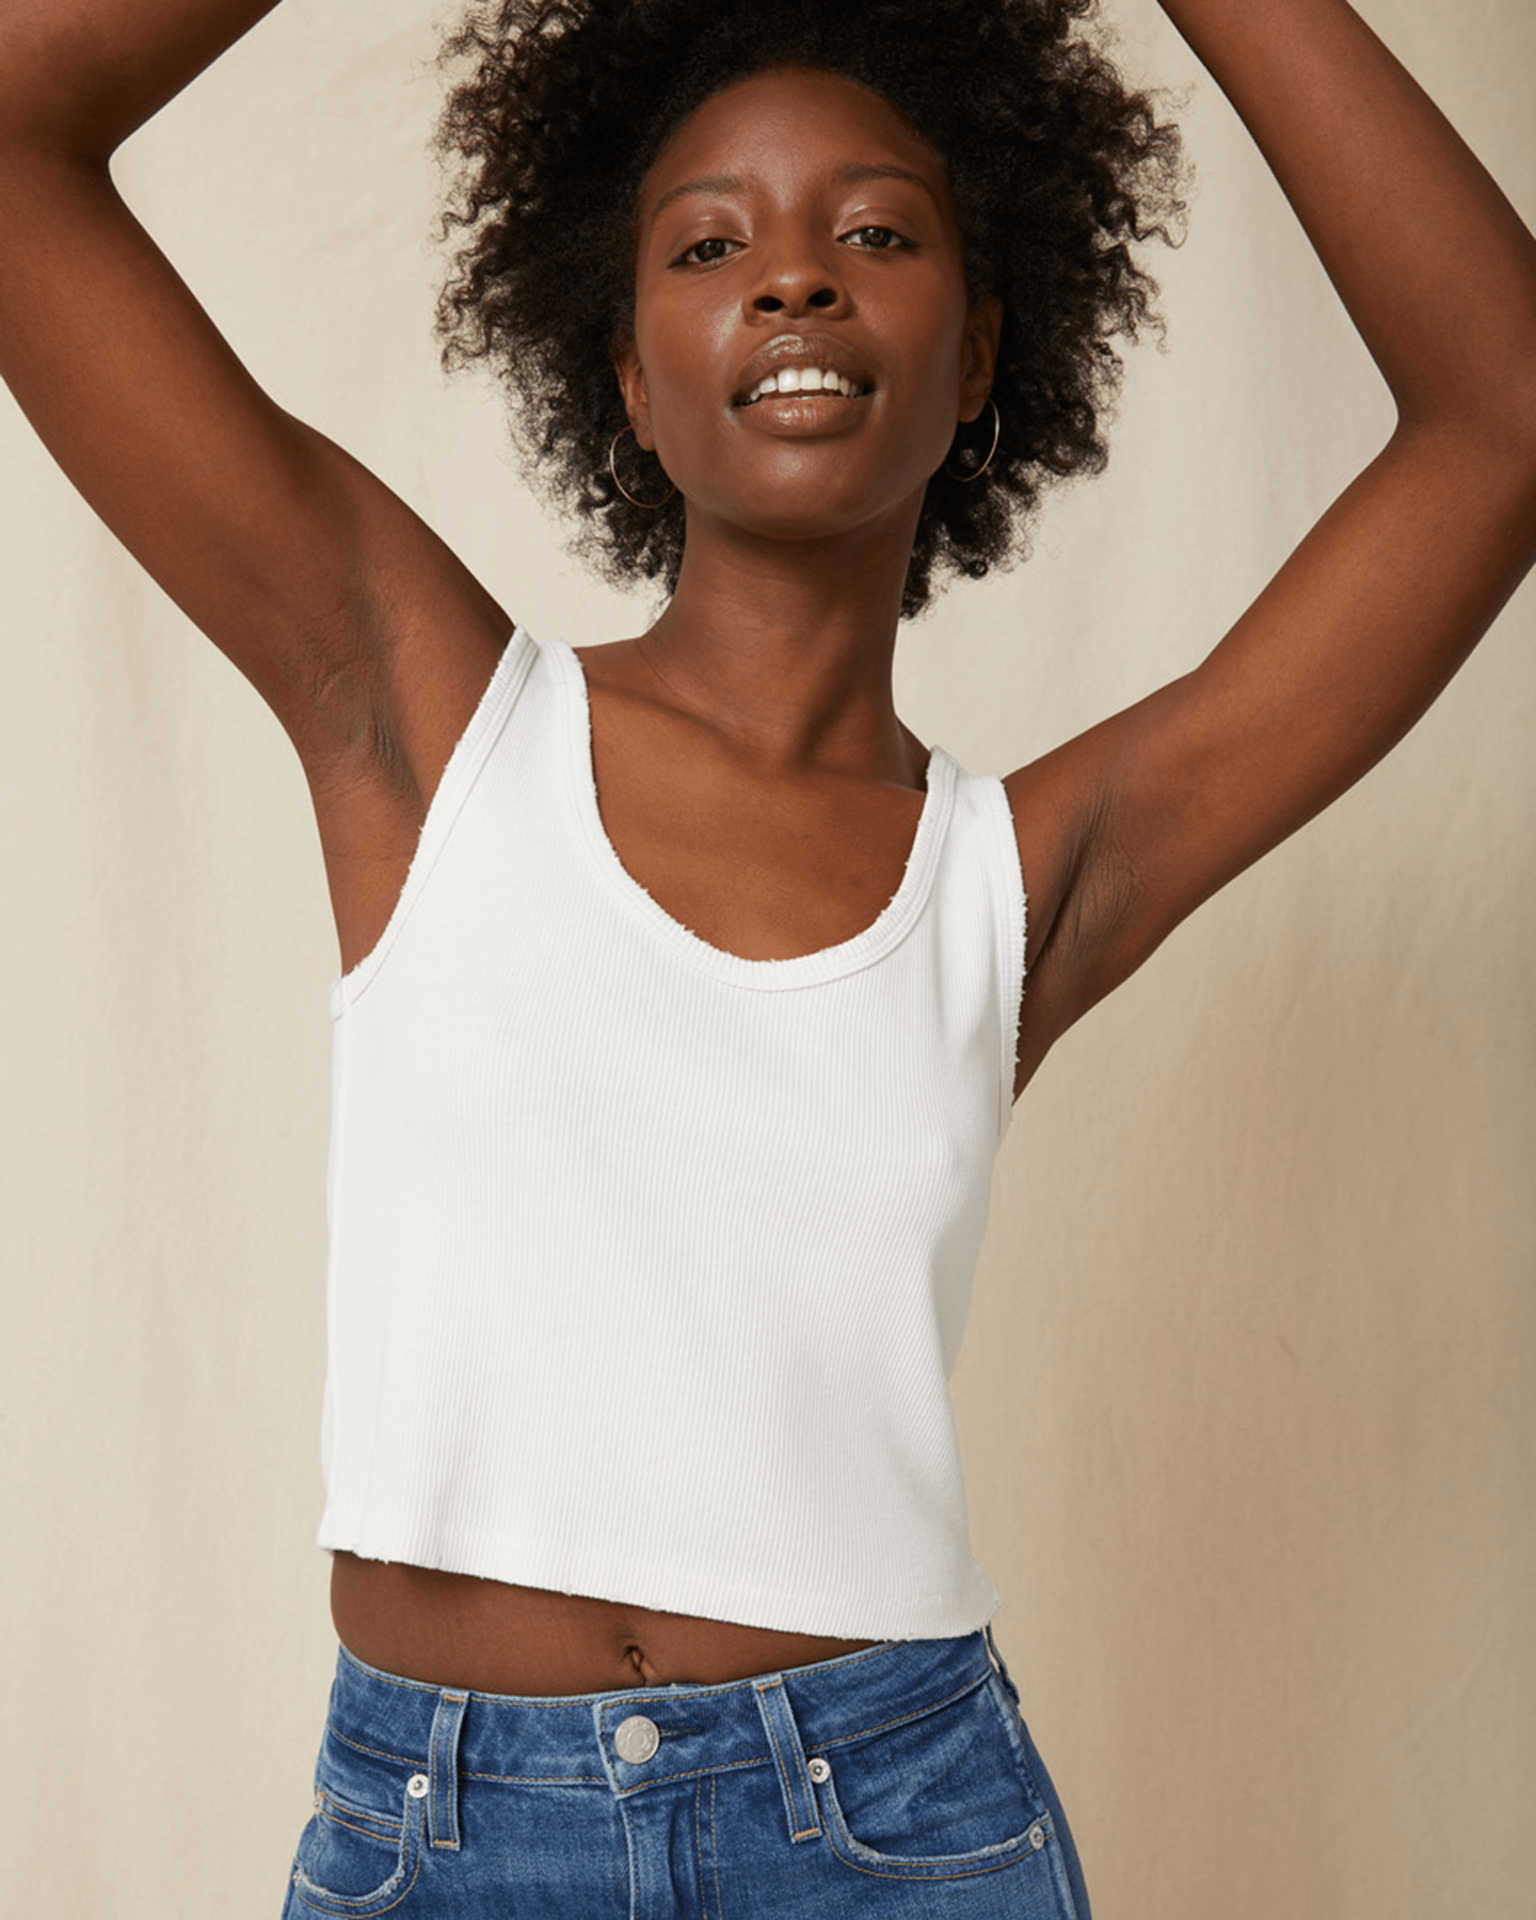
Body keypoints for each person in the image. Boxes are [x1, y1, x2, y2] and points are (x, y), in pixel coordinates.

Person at [1, 0, 1531, 1914]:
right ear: (628, 375)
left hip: (896, 1829)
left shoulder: (1017, 878)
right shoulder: (423, 720)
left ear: (981, 353)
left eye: (877, 234)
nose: (795, 274)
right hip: (446, 1838)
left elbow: (1507, 414)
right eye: (710, 245)